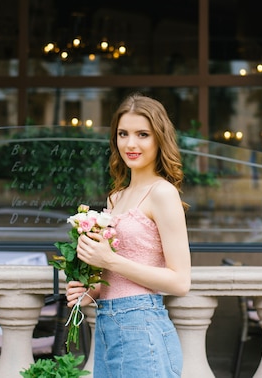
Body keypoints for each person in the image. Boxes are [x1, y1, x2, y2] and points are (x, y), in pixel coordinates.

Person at [65, 93, 191, 377]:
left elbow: (181, 282)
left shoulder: (162, 193)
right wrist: (90, 292)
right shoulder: (116, 197)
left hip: (141, 324)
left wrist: (108, 260)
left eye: (142, 134)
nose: (130, 144)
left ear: (159, 139)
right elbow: (119, 278)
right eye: (123, 134)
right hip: (109, 325)